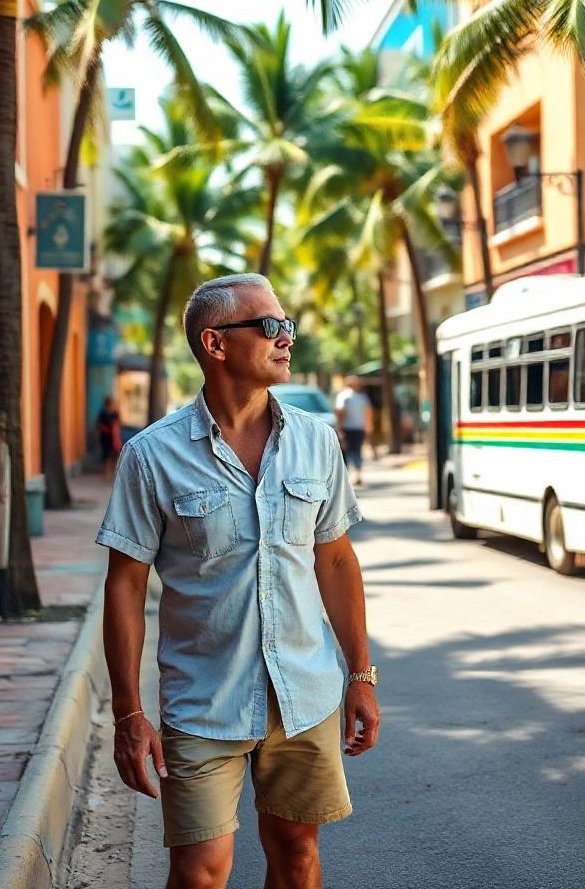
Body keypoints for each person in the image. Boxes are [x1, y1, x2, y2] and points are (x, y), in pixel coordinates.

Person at [98, 273, 380, 889]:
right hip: (204, 701)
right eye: (270, 326)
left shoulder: (315, 442)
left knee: (296, 853)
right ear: (216, 343)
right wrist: (128, 713)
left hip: (303, 695)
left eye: (288, 325)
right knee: (200, 871)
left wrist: (360, 675)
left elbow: (334, 561)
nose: (286, 339)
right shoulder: (153, 455)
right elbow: (125, 583)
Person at [334, 375, 372, 486]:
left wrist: (339, 428)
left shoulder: (343, 396)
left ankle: (346, 477)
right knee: (357, 450)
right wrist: (368, 427)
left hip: (347, 427)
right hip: (359, 427)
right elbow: (368, 413)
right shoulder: (362, 398)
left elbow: (340, 412)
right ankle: (358, 474)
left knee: (346, 451)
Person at [96, 395, 122, 478]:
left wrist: (116, 433)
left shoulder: (115, 413)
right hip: (106, 437)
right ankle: (106, 472)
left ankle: (113, 471)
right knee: (107, 454)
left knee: (114, 454)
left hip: (114, 437)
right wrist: (106, 429)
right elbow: (99, 424)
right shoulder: (103, 413)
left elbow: (118, 424)